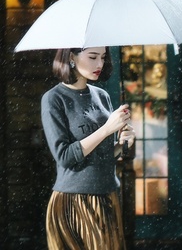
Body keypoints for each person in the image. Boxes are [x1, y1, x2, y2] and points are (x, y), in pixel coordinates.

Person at [41, 47, 136, 250]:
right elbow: (65, 156)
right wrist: (107, 128)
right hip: (75, 201)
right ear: (71, 57)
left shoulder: (102, 96)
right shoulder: (54, 99)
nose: (99, 64)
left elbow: (102, 155)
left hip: (107, 195)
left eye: (102, 57)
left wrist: (121, 145)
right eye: (92, 57)